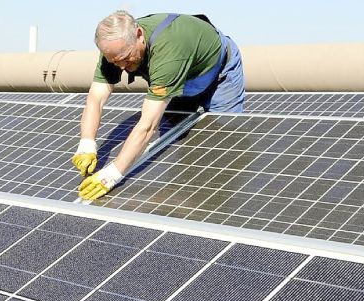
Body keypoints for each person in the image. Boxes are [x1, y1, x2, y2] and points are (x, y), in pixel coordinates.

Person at [74, 11, 245, 201]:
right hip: (179, 76)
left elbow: (148, 126)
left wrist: (111, 176)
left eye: (125, 57)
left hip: (219, 75)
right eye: (114, 61)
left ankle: (216, 199)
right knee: (179, 137)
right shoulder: (114, 47)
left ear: (139, 35)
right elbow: (95, 99)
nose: (121, 66)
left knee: (223, 139)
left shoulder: (168, 50)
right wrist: (87, 144)